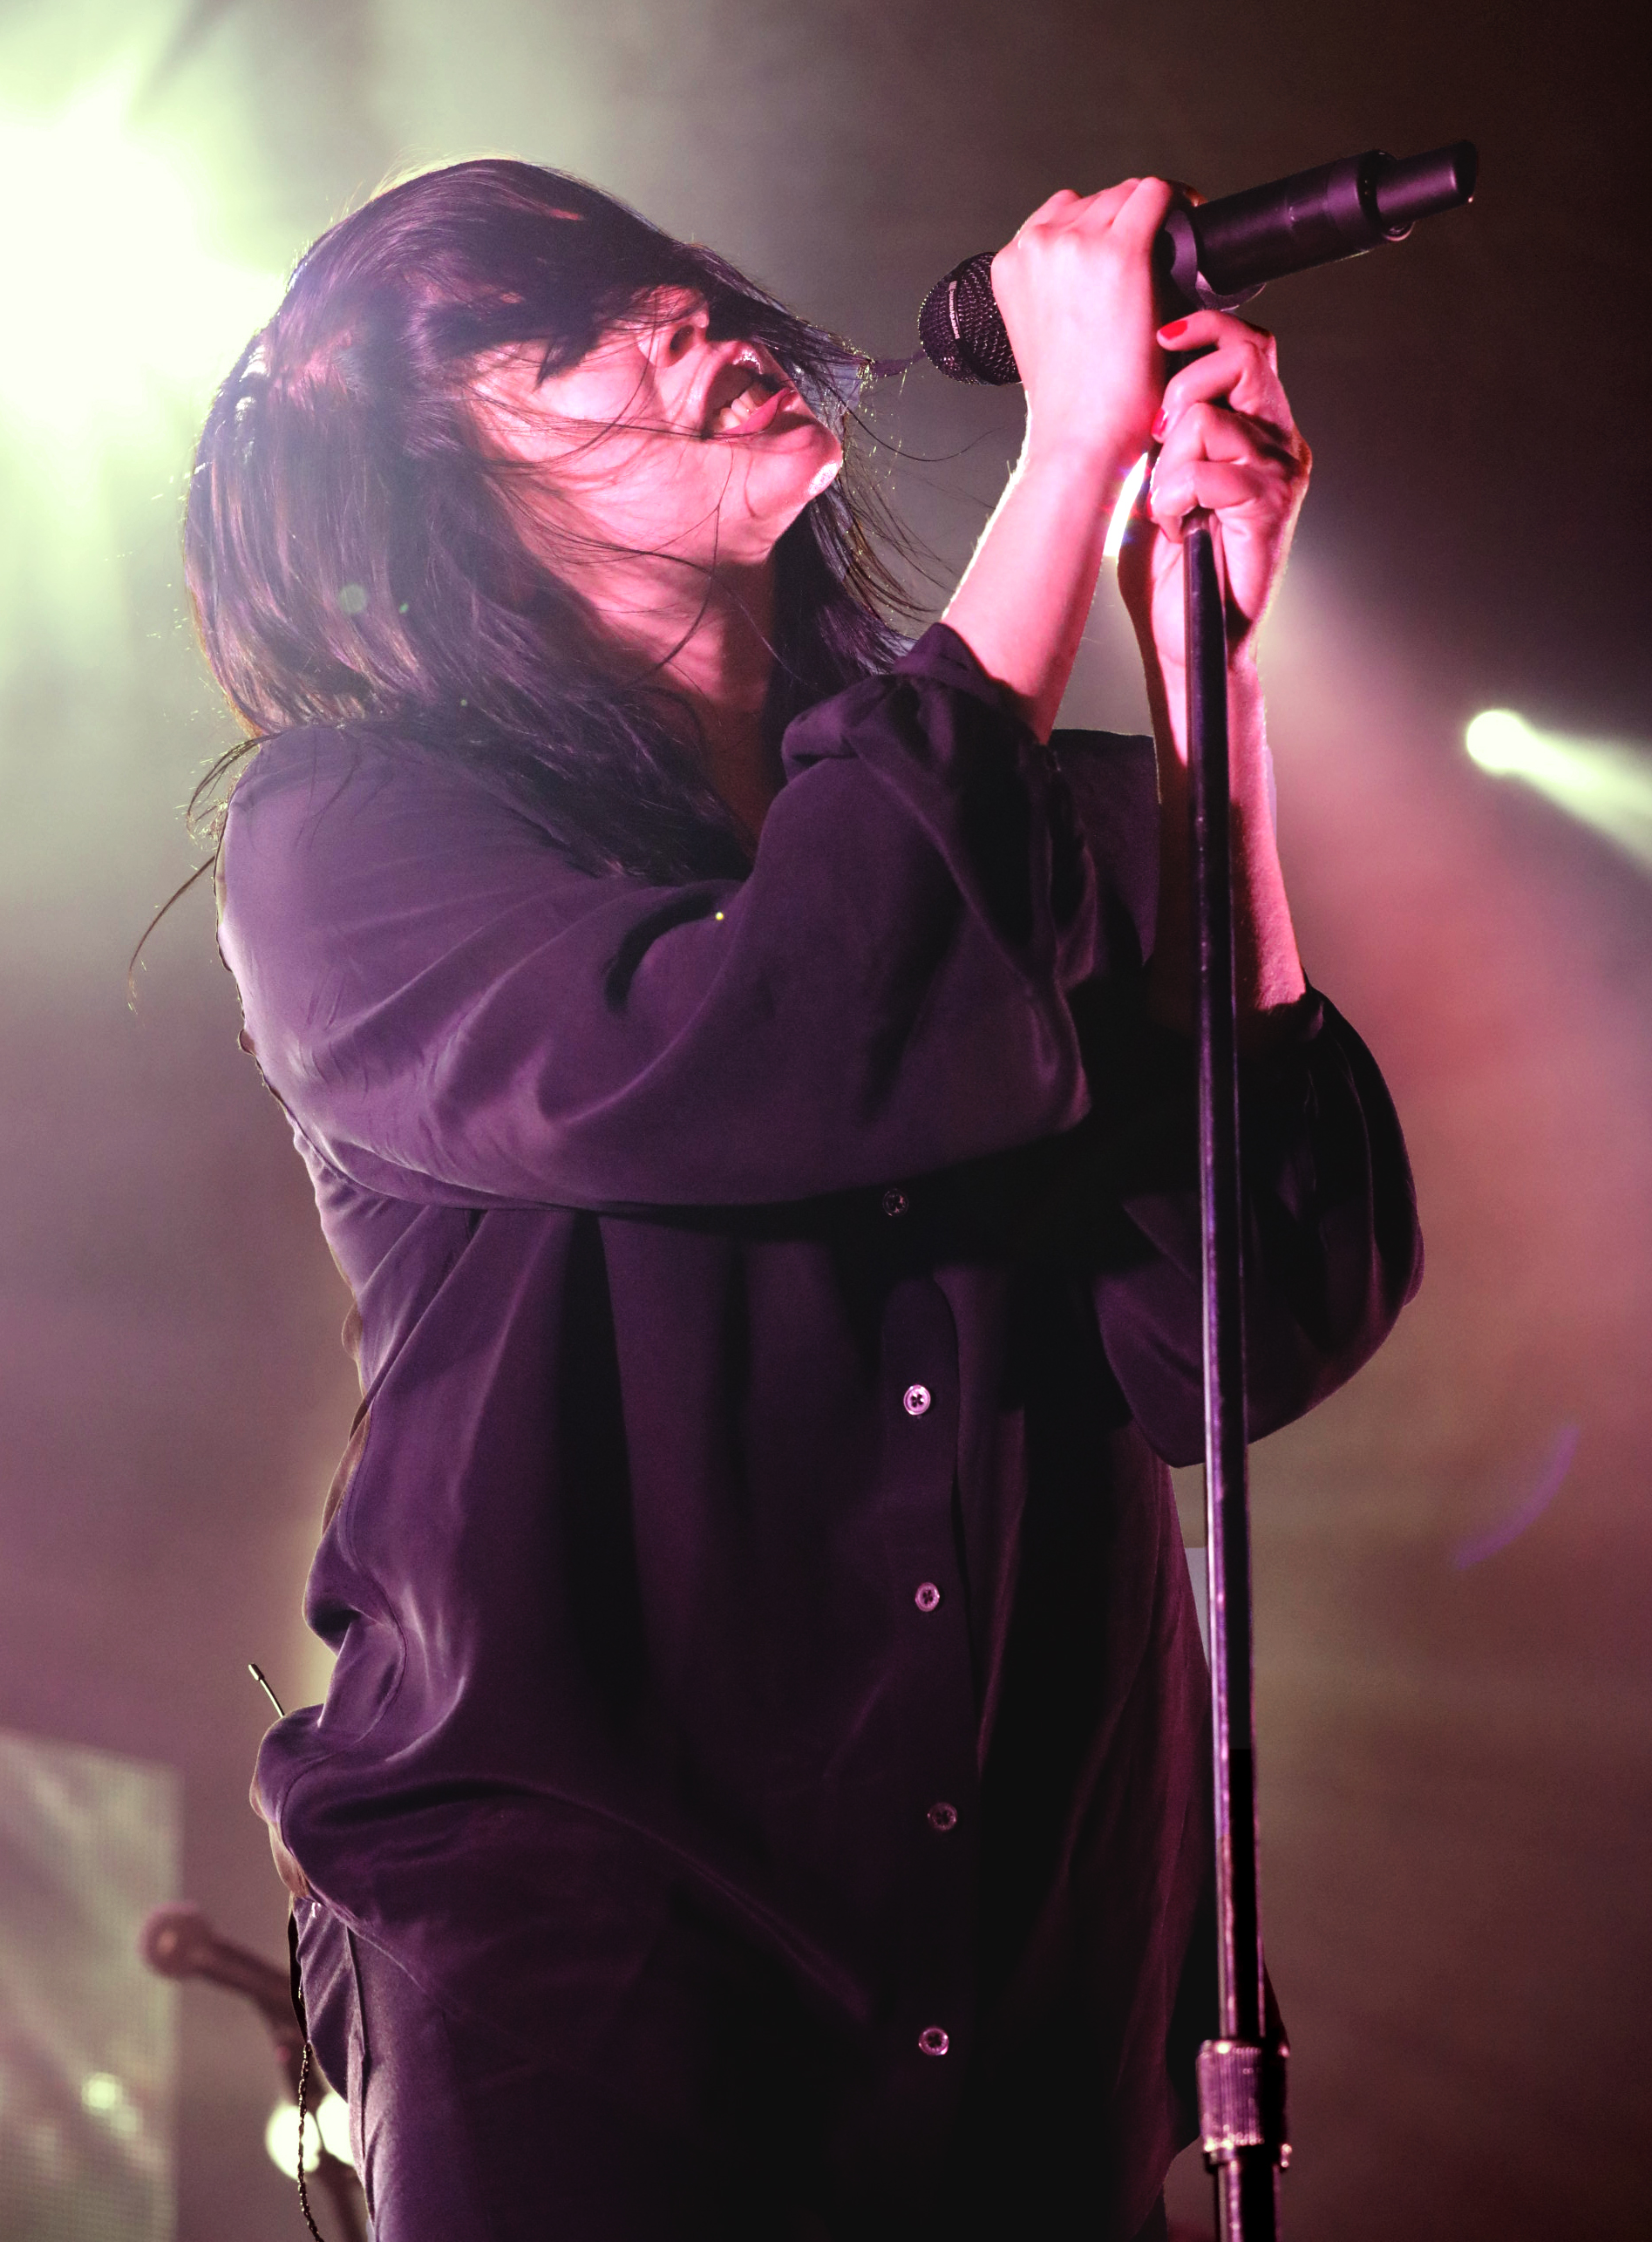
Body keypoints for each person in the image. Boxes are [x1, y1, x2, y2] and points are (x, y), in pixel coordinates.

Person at [182, 158, 1420, 2242]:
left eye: (656, 277)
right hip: (604, 2004)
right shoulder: (360, 841)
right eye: (560, 329)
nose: (678, 314)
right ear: (422, 483)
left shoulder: (1013, 825)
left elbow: (1250, 1311)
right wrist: (1062, 464)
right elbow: (796, 1024)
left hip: (1033, 2000)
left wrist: (1203, 687)